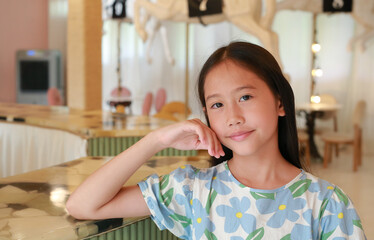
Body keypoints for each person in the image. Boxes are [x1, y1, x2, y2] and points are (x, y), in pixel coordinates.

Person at [66, 41, 366, 239]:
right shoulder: (192, 190)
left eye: (245, 97)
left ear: (280, 102)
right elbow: (83, 205)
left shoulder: (327, 203)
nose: (233, 116)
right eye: (217, 105)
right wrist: (155, 140)